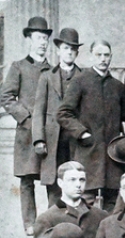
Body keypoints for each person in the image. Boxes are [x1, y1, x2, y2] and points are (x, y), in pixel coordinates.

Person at [57, 40, 125, 212]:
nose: (103, 59)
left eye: (106, 55)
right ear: (91, 56)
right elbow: (63, 113)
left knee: (114, 201)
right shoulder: (80, 82)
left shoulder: (118, 86)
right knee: (85, 198)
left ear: (111, 57)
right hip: (88, 151)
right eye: (99, 55)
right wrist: (82, 133)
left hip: (113, 156)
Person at [1, 17, 52, 234]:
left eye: (45, 38)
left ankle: (52, 221)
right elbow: (6, 97)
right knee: (26, 180)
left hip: (49, 132)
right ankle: (30, 223)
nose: (42, 42)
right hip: (26, 132)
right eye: (38, 38)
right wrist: (26, 118)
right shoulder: (18, 67)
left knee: (52, 178)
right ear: (29, 40)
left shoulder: (53, 70)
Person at [32, 28, 83, 210]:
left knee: (77, 181)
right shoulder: (47, 76)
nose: (69, 52)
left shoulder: (83, 76)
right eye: (65, 48)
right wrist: (39, 139)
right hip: (53, 140)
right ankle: (53, 225)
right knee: (54, 184)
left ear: (77, 52)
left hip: (75, 140)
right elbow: (39, 110)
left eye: (72, 49)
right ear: (59, 51)